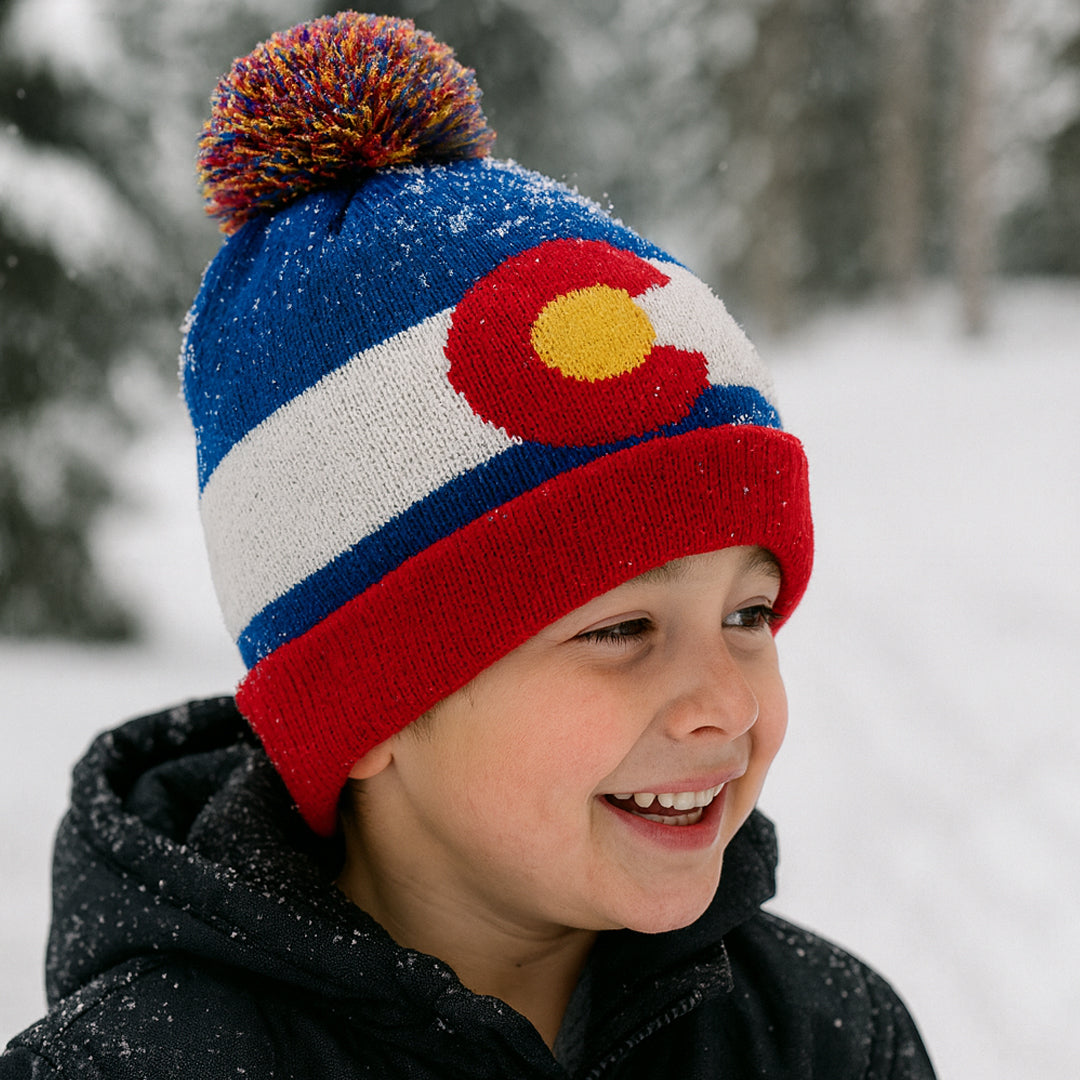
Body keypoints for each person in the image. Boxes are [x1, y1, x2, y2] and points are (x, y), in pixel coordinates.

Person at [1, 12, 936, 1078]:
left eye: (748, 614)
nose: (726, 702)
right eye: (624, 626)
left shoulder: (821, 1040)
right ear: (366, 708)